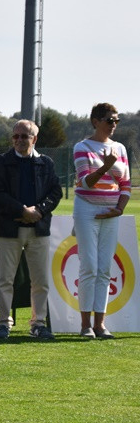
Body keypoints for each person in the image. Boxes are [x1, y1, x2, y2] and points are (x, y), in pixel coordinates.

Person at [0, 119, 63, 340]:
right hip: (8, 229)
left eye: (25, 136)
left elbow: (55, 192)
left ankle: (38, 324)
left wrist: (38, 210)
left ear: (35, 139)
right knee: (5, 280)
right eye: (16, 136)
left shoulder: (46, 163)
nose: (20, 140)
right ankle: (3, 323)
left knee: (40, 281)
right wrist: (22, 210)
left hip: (38, 230)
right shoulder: (0, 163)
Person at [72, 103, 131, 339]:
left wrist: (119, 209)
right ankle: (85, 324)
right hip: (87, 210)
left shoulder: (120, 148)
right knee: (90, 266)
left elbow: (125, 184)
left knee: (105, 268)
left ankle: (100, 324)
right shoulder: (82, 147)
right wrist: (106, 166)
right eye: (109, 120)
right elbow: (85, 183)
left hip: (111, 212)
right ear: (95, 121)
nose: (113, 125)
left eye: (116, 120)